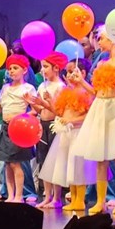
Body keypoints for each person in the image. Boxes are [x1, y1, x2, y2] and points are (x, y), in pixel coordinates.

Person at [72, 30, 115, 214]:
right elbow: (95, 92)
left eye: (101, 38)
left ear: (113, 39)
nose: (98, 42)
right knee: (100, 159)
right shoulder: (101, 63)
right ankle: (100, 201)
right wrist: (82, 82)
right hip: (100, 108)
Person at [39, 57, 94, 212]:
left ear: (82, 72)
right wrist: (47, 102)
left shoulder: (86, 92)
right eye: (68, 72)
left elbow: (89, 115)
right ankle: (74, 197)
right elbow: (60, 112)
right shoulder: (67, 91)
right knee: (70, 166)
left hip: (78, 132)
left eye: (71, 72)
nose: (68, 75)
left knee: (79, 167)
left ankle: (80, 199)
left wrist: (72, 120)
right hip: (67, 133)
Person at [0, 54, 38, 204]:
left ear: (24, 70)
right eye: (9, 68)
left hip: (18, 129)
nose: (11, 71)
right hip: (5, 127)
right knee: (7, 163)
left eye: (15, 68)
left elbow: (35, 110)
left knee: (16, 163)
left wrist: (20, 118)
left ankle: (19, 195)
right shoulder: (5, 88)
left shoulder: (27, 88)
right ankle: (10, 195)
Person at [29, 51, 67, 208]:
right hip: (42, 125)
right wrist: (32, 102)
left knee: (55, 162)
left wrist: (44, 102)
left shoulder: (60, 87)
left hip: (54, 125)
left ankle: (57, 198)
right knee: (43, 161)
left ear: (56, 68)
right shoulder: (42, 85)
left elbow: (57, 110)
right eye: (42, 66)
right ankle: (47, 195)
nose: (43, 70)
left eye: (46, 66)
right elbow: (39, 110)